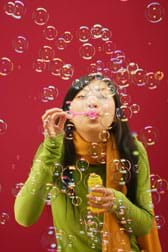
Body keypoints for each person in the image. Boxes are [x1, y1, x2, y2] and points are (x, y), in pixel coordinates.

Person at [14, 74, 162, 252]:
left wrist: (117, 202)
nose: (92, 102)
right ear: (68, 112)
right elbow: (24, 217)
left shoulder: (131, 149)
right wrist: (51, 147)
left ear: (116, 115)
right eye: (82, 96)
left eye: (102, 96)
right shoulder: (54, 150)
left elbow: (145, 225)